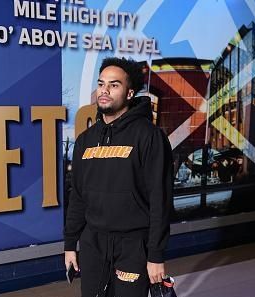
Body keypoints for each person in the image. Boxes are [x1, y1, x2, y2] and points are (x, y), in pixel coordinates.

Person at [64, 57, 174, 297]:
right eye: (101, 84)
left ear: (130, 92)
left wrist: (155, 255)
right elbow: (78, 197)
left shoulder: (149, 137)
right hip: (93, 244)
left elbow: (160, 199)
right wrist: (70, 244)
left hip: (133, 246)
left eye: (114, 85)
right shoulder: (85, 140)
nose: (105, 90)